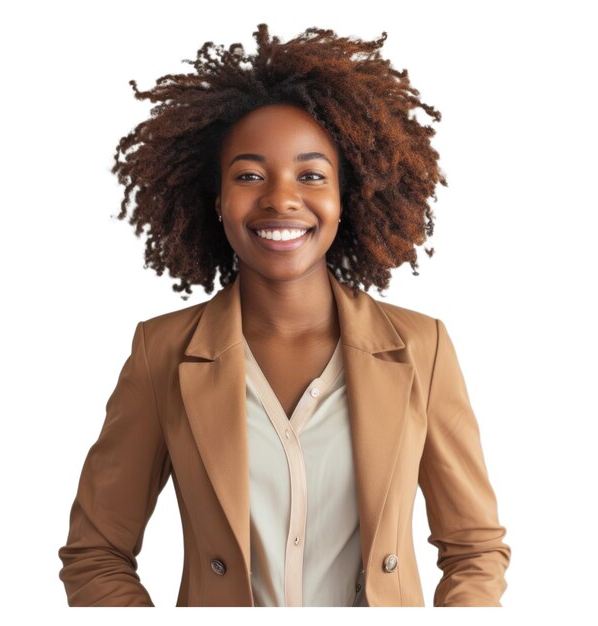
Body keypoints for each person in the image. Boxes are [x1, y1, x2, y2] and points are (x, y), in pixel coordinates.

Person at [57, 23, 511, 607]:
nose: (281, 198)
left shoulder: (421, 346)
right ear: (217, 200)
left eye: (311, 175)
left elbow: (475, 548)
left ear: (346, 198)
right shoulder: (162, 353)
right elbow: (96, 553)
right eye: (249, 175)